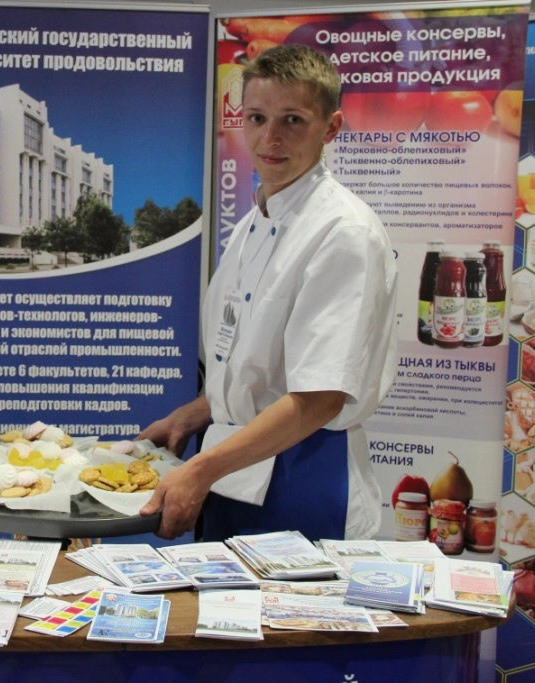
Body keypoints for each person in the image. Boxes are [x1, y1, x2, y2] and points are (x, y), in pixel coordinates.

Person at [139, 43, 397, 543]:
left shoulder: (343, 231)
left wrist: (202, 468)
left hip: (304, 476)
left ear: (331, 128)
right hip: (230, 469)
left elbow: (319, 398)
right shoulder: (251, 223)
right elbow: (256, 363)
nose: (270, 138)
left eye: (293, 120)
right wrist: (192, 415)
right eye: (257, 118)